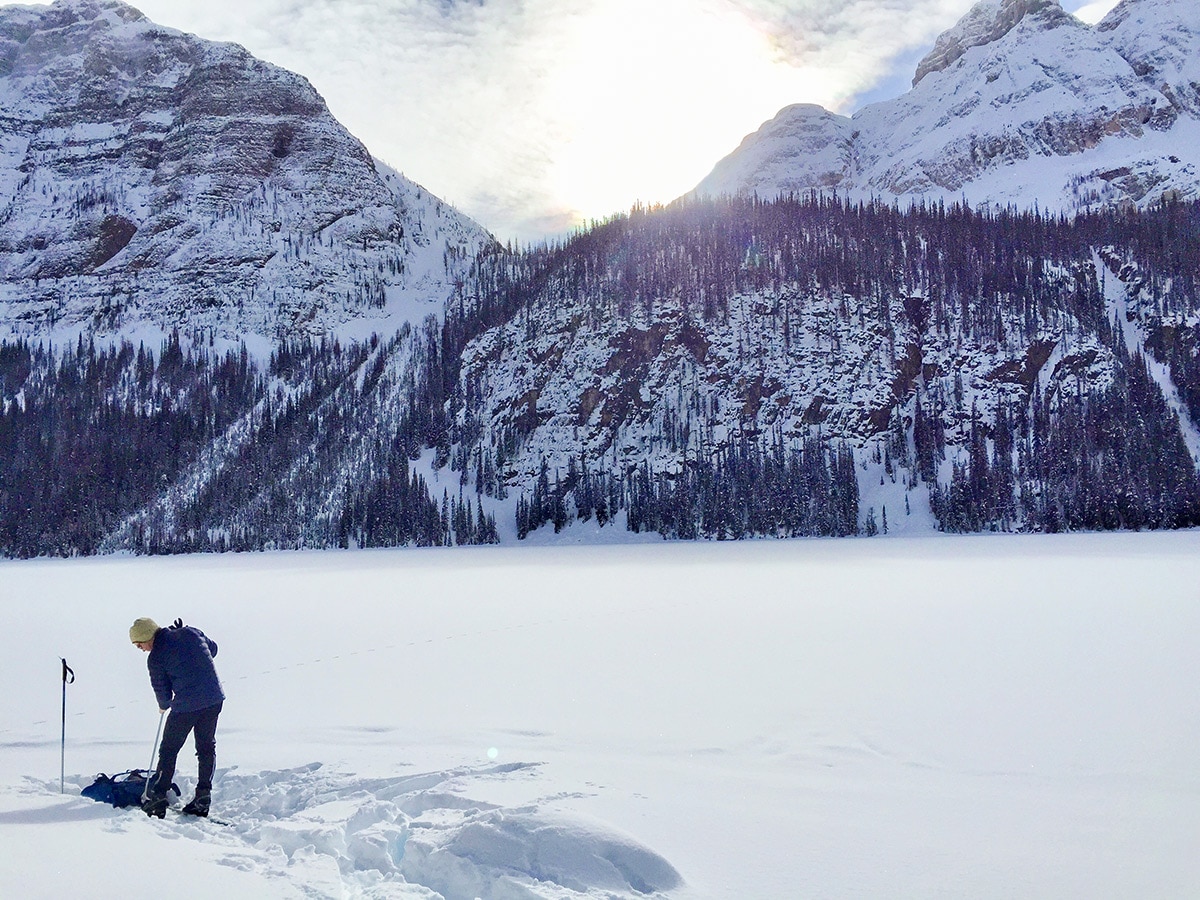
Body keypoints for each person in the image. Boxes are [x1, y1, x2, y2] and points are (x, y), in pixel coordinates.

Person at [129, 617, 225, 818]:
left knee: (169, 750)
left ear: (147, 637)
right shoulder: (191, 632)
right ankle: (203, 797)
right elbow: (213, 650)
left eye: (139, 645)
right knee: (206, 747)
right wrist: (187, 638)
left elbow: (161, 690)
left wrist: (163, 706)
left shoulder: (155, 658)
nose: (141, 649)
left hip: (187, 706)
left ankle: (158, 798)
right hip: (214, 698)